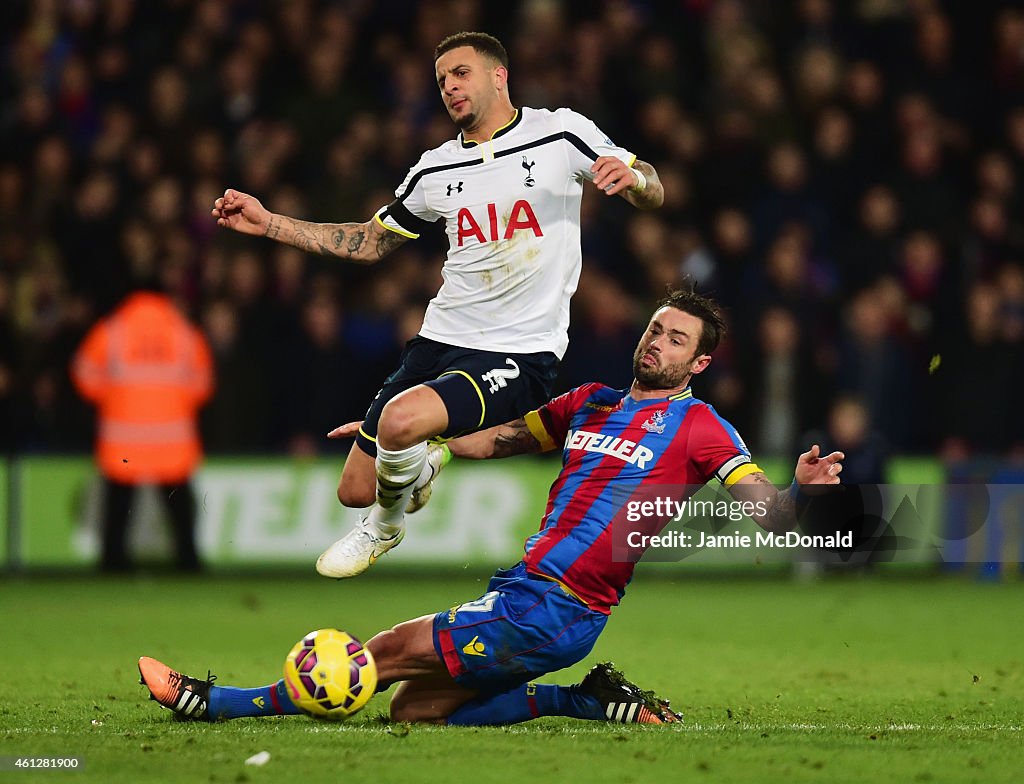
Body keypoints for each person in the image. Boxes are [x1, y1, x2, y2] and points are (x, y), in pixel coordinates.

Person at [139, 289, 843, 726]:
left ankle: (217, 703)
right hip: (529, 594)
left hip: (558, 606)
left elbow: (770, 519)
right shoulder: (590, 401)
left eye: (676, 339)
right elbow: (498, 440)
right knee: (416, 711)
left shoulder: (702, 428)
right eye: (656, 329)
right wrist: (398, 433)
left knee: (380, 654)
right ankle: (583, 699)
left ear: (698, 364)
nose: (657, 342)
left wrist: (798, 492)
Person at [210, 31, 664, 579]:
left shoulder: (560, 133)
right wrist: (270, 224)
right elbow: (369, 241)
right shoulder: (436, 168)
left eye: (461, 73)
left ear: (499, 75)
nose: (449, 87)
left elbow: (654, 187)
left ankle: (385, 527)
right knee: (355, 488)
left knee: (400, 427)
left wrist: (634, 179)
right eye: (442, 80)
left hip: (520, 350)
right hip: (439, 340)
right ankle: (418, 460)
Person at [70, 277, 214, 572]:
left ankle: (112, 563)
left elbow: (83, 375)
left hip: (123, 440)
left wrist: (112, 398)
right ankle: (188, 563)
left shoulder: (111, 330)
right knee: (179, 508)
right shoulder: (183, 332)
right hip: (171, 440)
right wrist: (174, 403)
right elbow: (203, 383)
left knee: (118, 508)